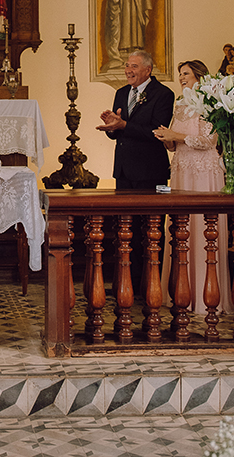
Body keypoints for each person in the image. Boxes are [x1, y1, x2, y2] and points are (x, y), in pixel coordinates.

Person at [154, 59, 233, 314]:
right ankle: (180, 292)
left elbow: (209, 140)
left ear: (199, 75)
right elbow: (178, 141)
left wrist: (176, 137)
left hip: (203, 172)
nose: (181, 77)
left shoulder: (210, 102)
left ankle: (207, 295)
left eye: (185, 73)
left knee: (202, 227)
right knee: (180, 228)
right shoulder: (179, 104)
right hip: (181, 170)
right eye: (180, 74)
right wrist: (167, 140)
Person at [98, 49, 174, 288]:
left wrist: (124, 125)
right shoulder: (121, 93)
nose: (128, 70)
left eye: (133, 66)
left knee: (150, 231)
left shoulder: (163, 95)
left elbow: (157, 133)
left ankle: (149, 286)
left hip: (151, 171)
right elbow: (119, 132)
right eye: (127, 66)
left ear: (147, 70)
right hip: (124, 170)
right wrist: (112, 127)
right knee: (125, 229)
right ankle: (125, 283)